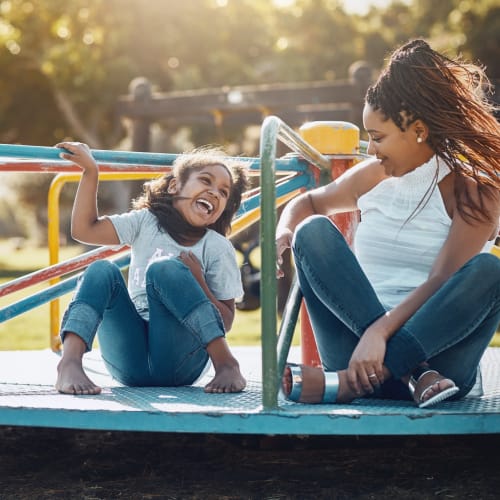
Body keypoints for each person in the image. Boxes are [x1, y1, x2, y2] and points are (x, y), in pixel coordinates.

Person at [276, 39, 500, 408]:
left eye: (377, 137)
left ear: (417, 130)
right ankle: (407, 372)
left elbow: (441, 281)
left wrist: (381, 333)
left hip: (442, 368)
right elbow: (311, 202)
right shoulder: (371, 176)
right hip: (359, 351)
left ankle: (350, 384)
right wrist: (286, 227)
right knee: (312, 232)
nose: (370, 149)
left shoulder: (474, 190)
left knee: (490, 270)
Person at [55, 142, 249, 395]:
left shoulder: (217, 247)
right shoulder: (146, 223)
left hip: (180, 362)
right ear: (174, 186)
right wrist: (91, 171)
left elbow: (227, 320)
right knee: (100, 269)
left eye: (223, 192)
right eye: (205, 181)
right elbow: (84, 230)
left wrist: (197, 280)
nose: (214, 193)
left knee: (165, 269)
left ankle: (226, 364)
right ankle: (69, 363)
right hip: (129, 363)